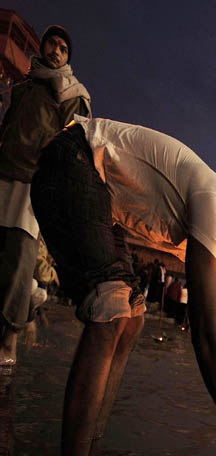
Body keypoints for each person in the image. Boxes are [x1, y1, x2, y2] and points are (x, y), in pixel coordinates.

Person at [31, 116, 216, 456]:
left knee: (133, 316)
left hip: (98, 195)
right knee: (112, 307)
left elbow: (209, 333)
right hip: (73, 158)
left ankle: (89, 445)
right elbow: (204, 336)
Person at [0, 25, 91, 365]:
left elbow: (74, 143)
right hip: (3, 175)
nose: (56, 50)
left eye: (63, 48)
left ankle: (9, 340)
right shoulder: (24, 88)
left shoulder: (72, 93)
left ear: (68, 58)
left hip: (32, 183)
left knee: (20, 261)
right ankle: (32, 300)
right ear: (43, 47)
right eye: (52, 43)